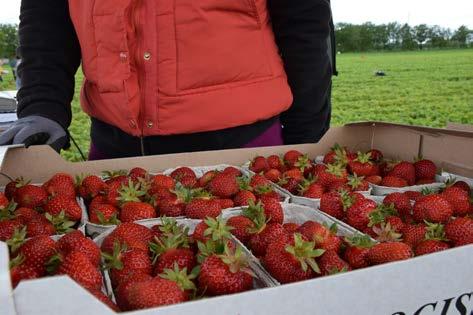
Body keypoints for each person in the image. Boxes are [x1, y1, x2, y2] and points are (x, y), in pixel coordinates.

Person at [0, 0, 335, 160]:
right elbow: (47, 18)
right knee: (120, 283)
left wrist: (306, 138)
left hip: (244, 150)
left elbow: (305, 24)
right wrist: (42, 104)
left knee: (248, 281)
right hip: (115, 150)